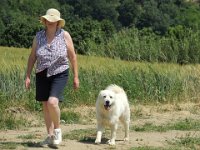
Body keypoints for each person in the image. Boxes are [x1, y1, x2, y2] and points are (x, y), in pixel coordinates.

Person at [25, 8, 79, 146]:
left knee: (52, 102)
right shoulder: (38, 36)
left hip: (60, 72)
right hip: (42, 73)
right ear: (44, 21)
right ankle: (49, 136)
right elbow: (32, 57)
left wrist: (76, 77)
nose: (50, 22)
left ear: (58, 22)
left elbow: (72, 57)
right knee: (45, 105)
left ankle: (58, 131)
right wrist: (28, 76)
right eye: (48, 19)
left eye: (53, 20)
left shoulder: (64, 35)